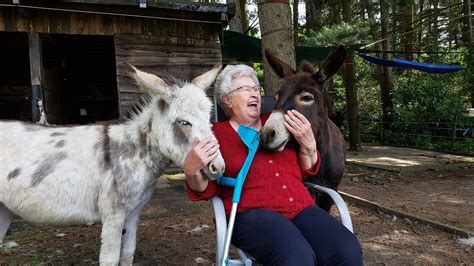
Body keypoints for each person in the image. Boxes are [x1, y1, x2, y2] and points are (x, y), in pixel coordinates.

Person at [183, 64, 363, 265]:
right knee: (297, 256)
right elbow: (206, 188)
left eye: (255, 89)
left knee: (347, 249)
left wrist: (309, 145)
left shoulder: (278, 122)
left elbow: (307, 170)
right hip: (250, 213)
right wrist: (191, 170)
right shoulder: (215, 134)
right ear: (227, 99)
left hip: (300, 206)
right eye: (245, 89)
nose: (254, 94)